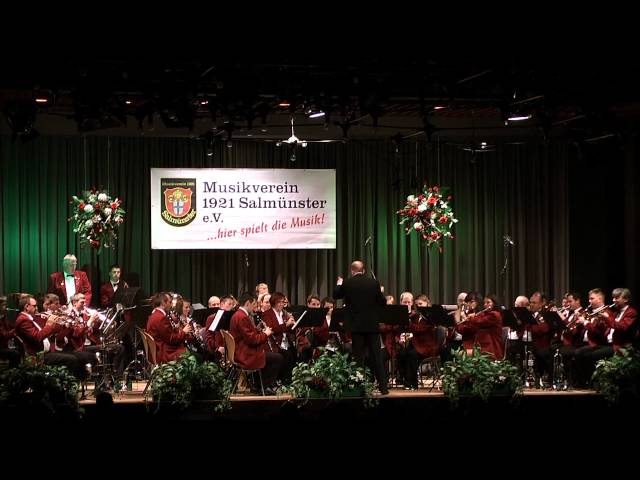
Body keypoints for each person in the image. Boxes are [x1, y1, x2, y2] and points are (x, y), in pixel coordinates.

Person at [333, 260, 388, 395]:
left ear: (352, 271)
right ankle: (383, 388)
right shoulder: (374, 283)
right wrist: (379, 293)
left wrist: (339, 284)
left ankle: (360, 388)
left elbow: (336, 295)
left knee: (359, 358)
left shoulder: (347, 283)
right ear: (364, 270)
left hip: (356, 327)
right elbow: (382, 302)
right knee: (376, 357)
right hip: (371, 326)